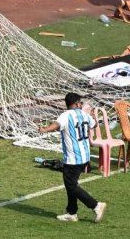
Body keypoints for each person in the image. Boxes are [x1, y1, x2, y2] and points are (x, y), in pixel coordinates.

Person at [37, 92, 107, 223]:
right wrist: (93, 116)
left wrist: (45, 129)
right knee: (71, 184)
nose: (81, 105)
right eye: (80, 103)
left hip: (73, 158)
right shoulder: (84, 115)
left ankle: (96, 205)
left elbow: (57, 124)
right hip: (85, 156)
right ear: (75, 104)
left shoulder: (66, 115)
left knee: (71, 185)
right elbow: (95, 125)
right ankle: (72, 212)